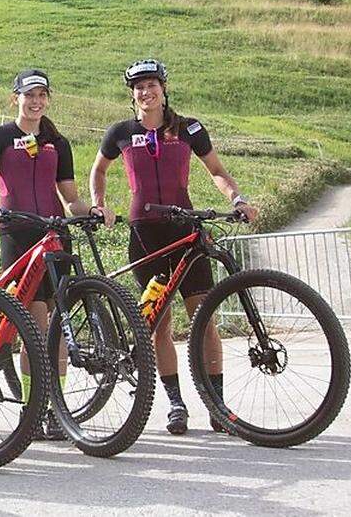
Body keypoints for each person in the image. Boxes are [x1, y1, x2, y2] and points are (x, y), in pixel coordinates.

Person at [89, 59, 259, 435]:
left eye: (151, 85)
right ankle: (176, 404)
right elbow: (97, 170)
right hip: (145, 234)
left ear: (164, 88)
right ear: (132, 94)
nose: (145, 92)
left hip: (185, 232)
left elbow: (216, 170)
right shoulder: (121, 131)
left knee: (205, 319)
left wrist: (237, 197)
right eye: (138, 87)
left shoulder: (189, 129)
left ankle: (218, 405)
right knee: (159, 325)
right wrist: (98, 202)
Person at [0, 69, 91, 441]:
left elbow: (70, 196)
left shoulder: (58, 141)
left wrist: (91, 210)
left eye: (42, 95)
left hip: (55, 236)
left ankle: (55, 409)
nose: (36, 101)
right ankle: (34, 407)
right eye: (29, 95)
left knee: (57, 329)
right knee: (35, 329)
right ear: (16, 98)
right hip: (18, 235)